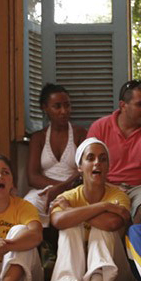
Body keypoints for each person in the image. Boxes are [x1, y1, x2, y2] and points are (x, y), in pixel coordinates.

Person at [47, 139, 133, 281]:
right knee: (69, 227)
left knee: (100, 228)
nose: (97, 163)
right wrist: (103, 207)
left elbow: (112, 224)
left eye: (102, 159)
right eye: (90, 158)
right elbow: (58, 222)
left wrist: (72, 211)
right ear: (80, 166)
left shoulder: (118, 195)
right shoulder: (67, 196)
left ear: (108, 166)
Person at [87, 80, 141, 217]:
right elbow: (89, 170)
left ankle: (136, 237)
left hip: (140, 188)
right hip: (103, 186)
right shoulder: (99, 127)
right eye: (140, 104)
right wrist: (112, 188)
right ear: (123, 105)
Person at [24, 83, 87, 226]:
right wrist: (54, 188)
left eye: (67, 105)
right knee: (29, 207)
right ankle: (39, 246)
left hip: (74, 189)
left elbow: (85, 170)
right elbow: (32, 177)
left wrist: (63, 188)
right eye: (57, 106)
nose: (64, 111)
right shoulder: (38, 138)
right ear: (45, 108)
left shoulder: (80, 134)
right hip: (44, 190)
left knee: (75, 212)